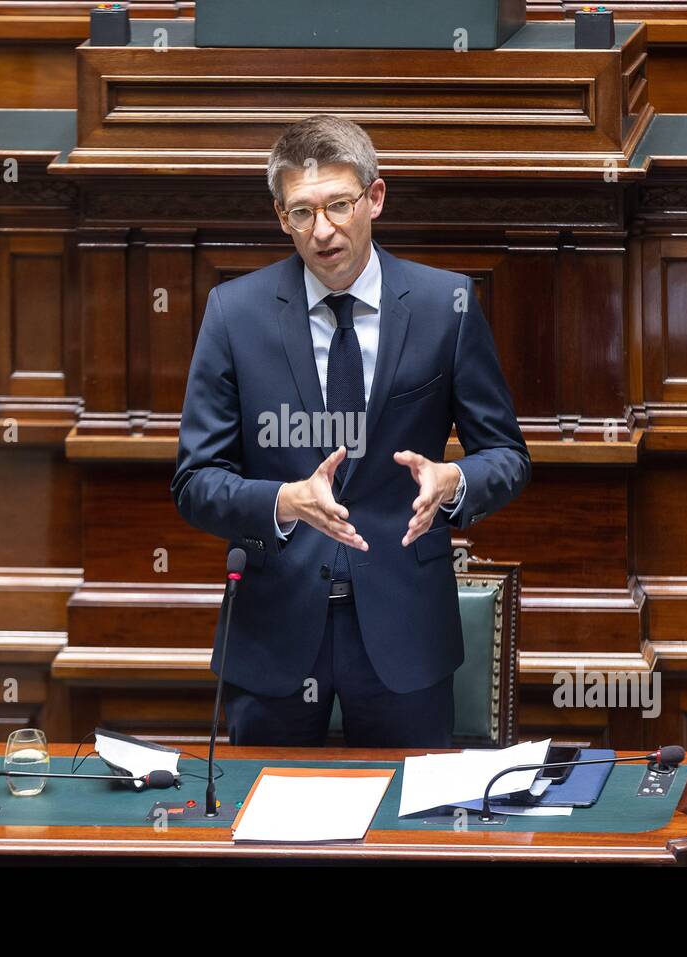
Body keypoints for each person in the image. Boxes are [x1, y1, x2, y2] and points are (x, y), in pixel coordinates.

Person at [171, 114, 530, 748]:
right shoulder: (235, 313)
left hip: (405, 629)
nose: (324, 231)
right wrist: (281, 501)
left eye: (339, 204)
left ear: (376, 197)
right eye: (301, 213)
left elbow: (505, 456)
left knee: (408, 837)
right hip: (275, 631)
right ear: (281, 217)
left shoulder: (445, 305)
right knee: (266, 837)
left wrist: (453, 482)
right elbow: (196, 481)